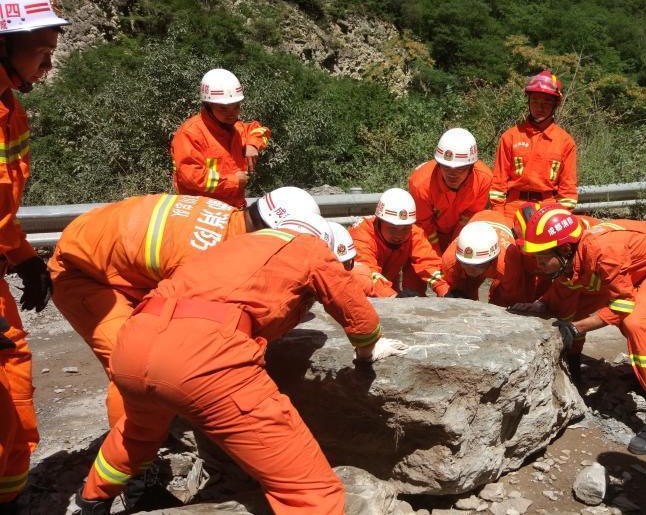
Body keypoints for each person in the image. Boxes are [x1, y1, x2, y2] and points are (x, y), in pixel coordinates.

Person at [73, 221, 407, 515]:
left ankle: (92, 500)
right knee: (311, 490)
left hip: (135, 340)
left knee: (138, 433)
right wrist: (369, 349)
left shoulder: (234, 245)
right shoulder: (311, 248)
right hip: (205, 359)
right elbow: (353, 306)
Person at [47, 187, 320, 427]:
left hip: (115, 261)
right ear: (269, 229)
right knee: (135, 364)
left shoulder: (230, 218)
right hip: (82, 275)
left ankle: (159, 421)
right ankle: (134, 465)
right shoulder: (208, 255)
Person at [510, 205, 646, 455]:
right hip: (627, 270)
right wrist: (541, 305)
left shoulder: (602, 249)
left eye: (541, 258)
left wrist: (575, 327)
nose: (538, 265)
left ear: (563, 250)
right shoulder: (571, 243)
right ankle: (574, 375)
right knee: (573, 306)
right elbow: (565, 288)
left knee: (635, 323)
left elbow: (621, 306)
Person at [0, 0, 68, 509]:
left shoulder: (10, 108)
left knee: (13, 384)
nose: (47, 67)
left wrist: (21, 254)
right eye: (41, 53)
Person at [406, 128, 492, 293]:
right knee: (416, 279)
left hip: (458, 233)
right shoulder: (421, 184)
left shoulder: (483, 179)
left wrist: (451, 256)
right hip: (425, 234)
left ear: (471, 166)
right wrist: (438, 261)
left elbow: (468, 219)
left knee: (463, 281)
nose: (452, 174)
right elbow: (424, 227)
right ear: (438, 164)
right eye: (446, 167)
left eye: (460, 169)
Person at [172, 68, 271, 209]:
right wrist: (233, 181)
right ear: (208, 106)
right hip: (201, 213)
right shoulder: (191, 133)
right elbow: (191, 177)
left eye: (236, 107)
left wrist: (253, 145)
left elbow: (261, 130)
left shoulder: (236, 128)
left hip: (233, 209)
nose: (232, 114)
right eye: (223, 109)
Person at [489, 71, 578, 220]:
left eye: (546, 102)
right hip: (512, 209)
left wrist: (559, 217)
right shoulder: (510, 137)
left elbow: (567, 191)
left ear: (556, 104)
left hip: (548, 208)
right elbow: (498, 183)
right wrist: (499, 218)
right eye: (535, 101)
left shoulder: (565, 142)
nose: (540, 107)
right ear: (528, 101)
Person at [349, 188, 449, 297]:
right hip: (358, 290)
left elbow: (429, 264)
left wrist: (445, 291)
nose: (399, 235)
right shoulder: (361, 235)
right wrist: (394, 296)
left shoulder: (414, 233)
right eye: (393, 228)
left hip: (389, 285)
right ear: (380, 221)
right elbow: (367, 275)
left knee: (417, 270)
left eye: (405, 228)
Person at [441, 210, 535, 307]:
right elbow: (443, 283)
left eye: (477, 265)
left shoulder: (507, 263)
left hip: (501, 222)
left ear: (492, 259)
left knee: (505, 302)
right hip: (479, 218)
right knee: (461, 295)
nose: (470, 270)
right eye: (465, 264)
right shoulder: (450, 261)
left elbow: (514, 297)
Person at [328, 221, 395, 298]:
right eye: (336, 264)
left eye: (347, 263)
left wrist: (394, 296)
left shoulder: (360, 275)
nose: (399, 235)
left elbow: (359, 307)